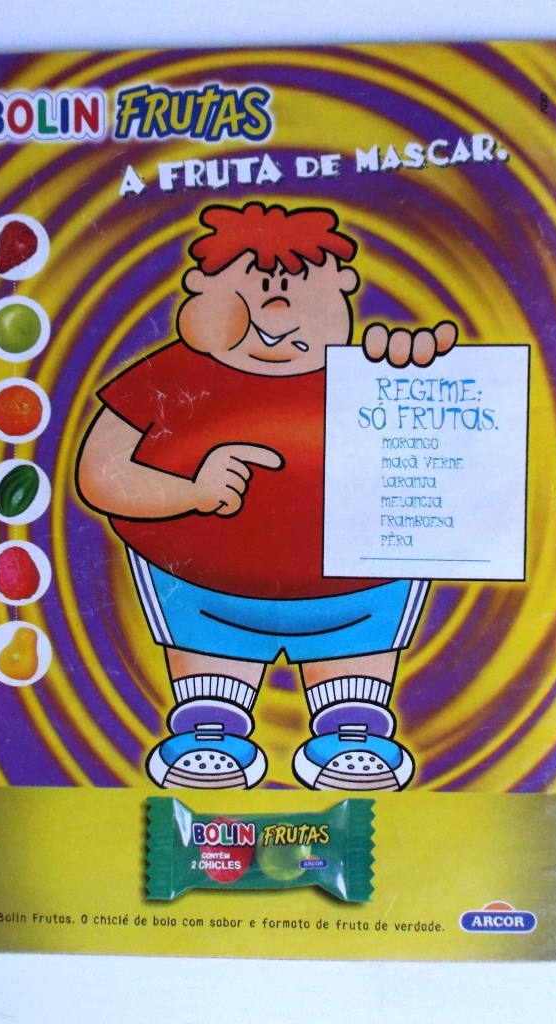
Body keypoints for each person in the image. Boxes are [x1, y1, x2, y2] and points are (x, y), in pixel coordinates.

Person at [76, 201, 457, 791]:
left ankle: (353, 732)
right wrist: (191, 492)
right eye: (251, 289)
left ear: (343, 288)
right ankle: (209, 730)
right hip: (200, 591)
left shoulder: (372, 369)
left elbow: (454, 443)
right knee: (211, 678)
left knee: (352, 675)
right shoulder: (167, 376)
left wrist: (421, 371)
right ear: (200, 292)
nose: (275, 312)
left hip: (358, 594)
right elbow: (99, 475)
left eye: (297, 287)